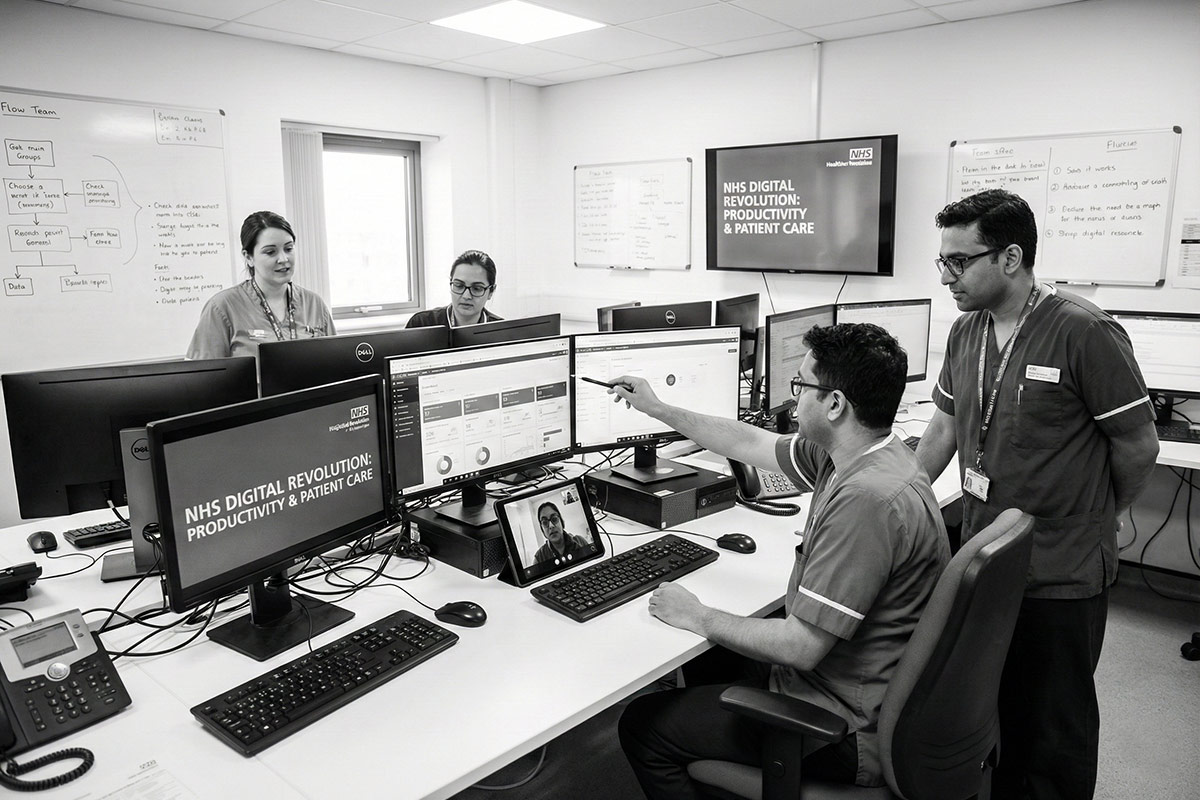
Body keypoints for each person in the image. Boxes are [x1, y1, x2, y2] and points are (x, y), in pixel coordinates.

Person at [614, 323, 949, 796]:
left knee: (645, 725)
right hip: (853, 681)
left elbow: (800, 647)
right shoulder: (864, 452)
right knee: (710, 661)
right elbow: (747, 443)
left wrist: (698, 614)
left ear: (835, 404)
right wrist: (660, 409)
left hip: (841, 723)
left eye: (801, 385)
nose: (793, 399)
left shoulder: (867, 502)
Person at [917, 189, 1160, 800]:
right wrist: (903, 498)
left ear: (1009, 257)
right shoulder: (966, 329)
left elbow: (1138, 446)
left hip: (1061, 566)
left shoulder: (1084, 332)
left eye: (958, 261)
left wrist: (1102, 513)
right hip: (982, 557)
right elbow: (944, 426)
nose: (946, 276)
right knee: (990, 709)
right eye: (942, 261)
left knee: (1053, 729)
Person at [187, 211, 335, 359]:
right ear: (248, 257)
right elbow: (201, 376)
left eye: (288, 249)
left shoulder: (315, 304)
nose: (283, 259)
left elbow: (337, 366)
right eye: (271, 252)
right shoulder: (222, 308)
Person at [406, 249, 502, 329]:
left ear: (491, 291)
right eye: (459, 286)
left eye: (477, 288)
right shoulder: (421, 324)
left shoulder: (502, 330)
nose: (466, 296)